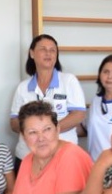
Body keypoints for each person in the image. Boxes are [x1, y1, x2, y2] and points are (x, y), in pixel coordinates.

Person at [10, 34, 86, 168]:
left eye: (52, 50)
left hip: (62, 155)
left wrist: (48, 133)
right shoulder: (23, 87)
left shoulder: (68, 81)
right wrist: (34, 134)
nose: (48, 53)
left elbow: (78, 115)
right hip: (27, 155)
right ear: (32, 53)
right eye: (43, 49)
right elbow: (14, 123)